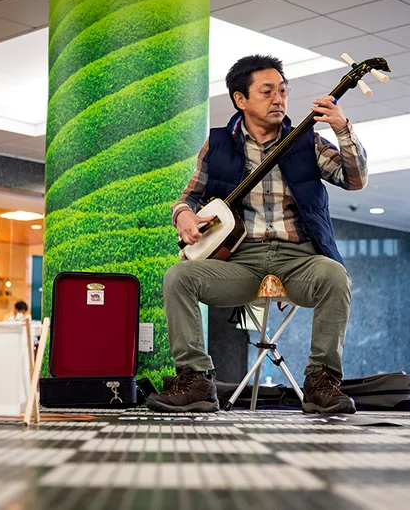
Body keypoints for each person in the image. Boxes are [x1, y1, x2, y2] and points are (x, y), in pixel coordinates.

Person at [147, 54, 368, 414]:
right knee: (179, 276)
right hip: (241, 262)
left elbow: (354, 180)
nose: (278, 99)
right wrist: (183, 215)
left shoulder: (305, 141)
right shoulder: (217, 145)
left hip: (300, 259)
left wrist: (343, 129)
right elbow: (190, 197)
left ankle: (321, 381)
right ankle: (197, 379)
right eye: (267, 92)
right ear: (241, 99)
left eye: (282, 91)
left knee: (335, 276)